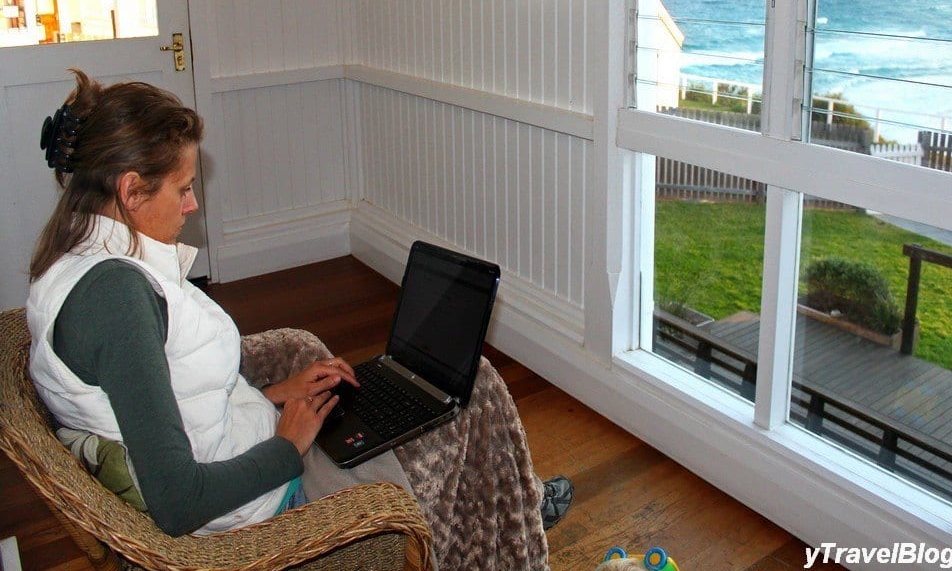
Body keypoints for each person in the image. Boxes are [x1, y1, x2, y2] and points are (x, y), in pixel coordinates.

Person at [26, 70, 573, 569]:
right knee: (474, 385)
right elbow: (179, 502)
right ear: (129, 189)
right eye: (183, 187)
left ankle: (518, 502)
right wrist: (288, 446)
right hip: (270, 500)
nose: (192, 204)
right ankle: (517, 510)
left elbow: (174, 413)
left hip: (253, 451)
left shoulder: (67, 266)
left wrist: (275, 396)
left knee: (408, 394)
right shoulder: (116, 300)